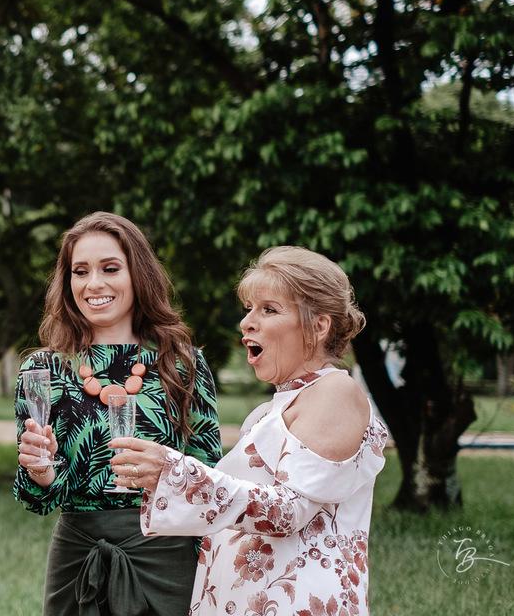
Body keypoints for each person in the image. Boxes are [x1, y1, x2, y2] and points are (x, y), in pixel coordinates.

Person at [113, 246, 388, 616]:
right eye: (248, 309)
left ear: (319, 326)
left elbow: (290, 512)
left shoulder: (334, 392)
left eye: (269, 309)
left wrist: (176, 474)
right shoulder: (273, 409)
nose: (247, 323)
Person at [14, 212, 222, 616]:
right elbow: (35, 499)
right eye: (80, 271)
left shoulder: (182, 364)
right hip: (77, 556)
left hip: (166, 556)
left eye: (110, 268)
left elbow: (209, 474)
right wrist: (40, 472)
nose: (94, 284)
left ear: (137, 274)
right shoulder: (43, 370)